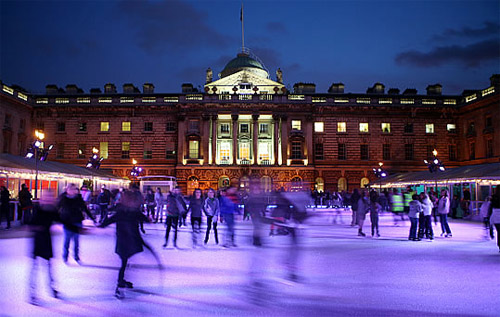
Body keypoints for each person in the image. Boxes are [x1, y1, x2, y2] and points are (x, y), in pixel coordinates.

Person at [99, 191, 150, 299]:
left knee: (125, 262)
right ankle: (119, 283)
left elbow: (109, 220)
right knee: (124, 262)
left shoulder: (127, 211)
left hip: (127, 240)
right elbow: (110, 220)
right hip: (127, 241)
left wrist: (102, 225)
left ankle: (121, 281)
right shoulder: (126, 211)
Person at [29, 190, 60, 305]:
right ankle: (32, 293)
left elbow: (62, 220)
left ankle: (52, 288)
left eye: (50, 197)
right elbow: (30, 223)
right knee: (35, 269)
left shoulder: (52, 211)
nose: (48, 199)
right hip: (38, 242)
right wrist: (37, 227)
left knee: (49, 267)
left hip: (47, 242)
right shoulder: (38, 210)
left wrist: (75, 228)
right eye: (46, 197)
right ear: (42, 199)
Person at [58, 183, 96, 264]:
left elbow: (84, 208)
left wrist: (92, 218)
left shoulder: (78, 198)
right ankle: (65, 256)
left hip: (77, 221)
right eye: (71, 189)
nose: (73, 191)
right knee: (67, 241)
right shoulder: (63, 198)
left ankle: (76, 257)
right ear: (67, 190)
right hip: (67, 222)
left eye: (74, 189)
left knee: (76, 241)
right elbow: (57, 208)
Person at [488, 187, 500, 252]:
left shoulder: (494, 198)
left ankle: (499, 245)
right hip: (496, 215)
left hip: (495, 216)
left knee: (499, 232)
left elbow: (490, 207)